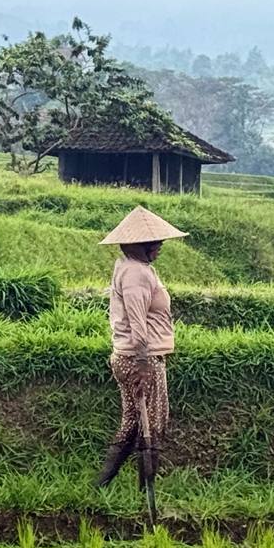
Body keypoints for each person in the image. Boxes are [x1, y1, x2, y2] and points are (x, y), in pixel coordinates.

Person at [95, 205, 187, 493]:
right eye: (155, 243)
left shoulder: (130, 266)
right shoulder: (136, 273)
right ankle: (145, 495)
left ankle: (101, 486)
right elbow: (138, 322)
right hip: (139, 359)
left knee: (133, 424)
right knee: (153, 425)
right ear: (140, 245)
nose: (160, 247)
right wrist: (145, 362)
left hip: (128, 357)